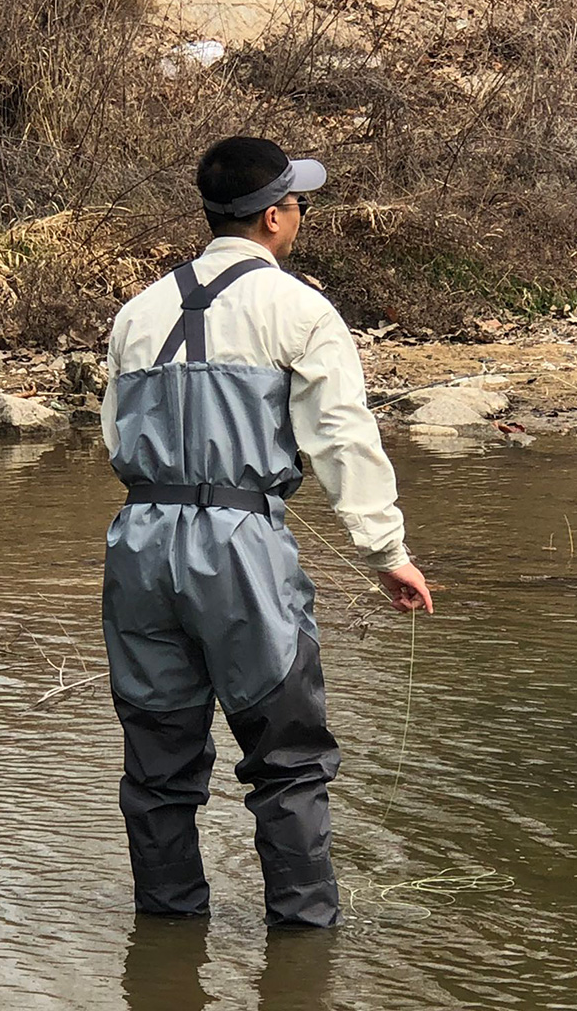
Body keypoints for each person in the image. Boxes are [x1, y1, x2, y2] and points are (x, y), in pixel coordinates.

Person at [100, 136, 433, 929]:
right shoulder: (300, 309)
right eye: (300, 204)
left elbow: (114, 436)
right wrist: (386, 552)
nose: (301, 217)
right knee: (287, 761)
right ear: (276, 217)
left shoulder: (137, 311)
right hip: (240, 547)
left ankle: (168, 944)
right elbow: (342, 439)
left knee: (157, 766)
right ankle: (303, 947)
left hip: (139, 543)